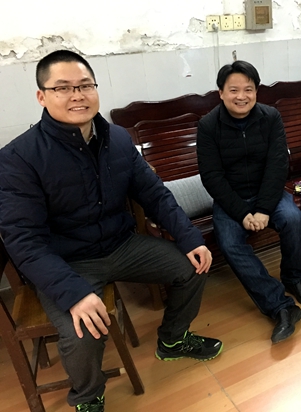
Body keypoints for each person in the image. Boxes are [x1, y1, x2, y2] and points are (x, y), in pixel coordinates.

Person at [0, 50, 222, 412]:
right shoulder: (19, 158)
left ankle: (172, 340)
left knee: (193, 266)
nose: (77, 95)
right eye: (63, 88)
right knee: (82, 332)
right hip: (68, 262)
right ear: (42, 96)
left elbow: (155, 194)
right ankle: (88, 397)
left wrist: (190, 238)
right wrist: (74, 294)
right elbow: (24, 241)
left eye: (85, 85)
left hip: (121, 246)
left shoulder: (117, 139)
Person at [196, 60, 301, 344]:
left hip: (269, 193)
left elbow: (278, 165)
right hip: (231, 199)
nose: (241, 96)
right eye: (234, 90)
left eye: (248, 89)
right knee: (229, 243)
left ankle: (294, 279)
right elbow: (212, 177)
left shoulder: (270, 117)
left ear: (256, 91)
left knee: (293, 219)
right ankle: (280, 306)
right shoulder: (208, 125)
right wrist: (243, 213)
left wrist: (263, 209)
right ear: (221, 93)